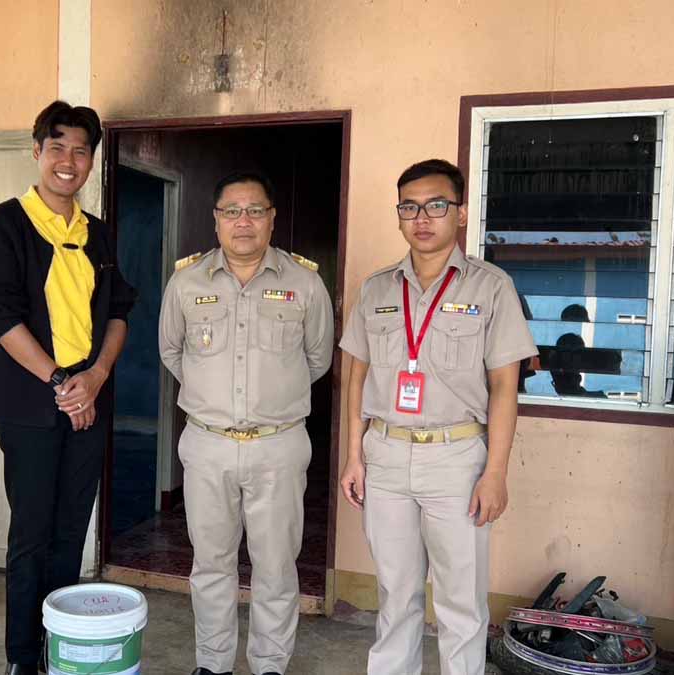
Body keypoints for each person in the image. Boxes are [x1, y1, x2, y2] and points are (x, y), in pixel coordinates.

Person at [338, 159, 537, 675]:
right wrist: (354, 455)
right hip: (385, 453)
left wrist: (495, 472)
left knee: (460, 603)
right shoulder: (377, 289)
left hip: (457, 457)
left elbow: (504, 387)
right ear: (399, 215)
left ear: (461, 213)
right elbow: (357, 377)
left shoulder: (491, 287)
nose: (422, 218)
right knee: (395, 595)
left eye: (436, 205)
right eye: (409, 207)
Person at [0, 100, 137, 675]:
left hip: (87, 401)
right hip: (30, 407)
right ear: (37, 151)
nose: (69, 160)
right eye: (57, 147)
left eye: (81, 151)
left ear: (91, 161)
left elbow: (118, 312)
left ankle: (57, 647)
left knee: (70, 534)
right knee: (31, 535)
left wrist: (96, 377)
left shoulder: (98, 234)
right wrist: (63, 383)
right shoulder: (6, 224)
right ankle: (21, 658)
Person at [158, 172, 334, 675]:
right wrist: (212, 397)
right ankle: (213, 664)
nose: (243, 221)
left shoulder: (304, 282)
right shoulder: (186, 282)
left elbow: (317, 358)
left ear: (272, 219)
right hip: (207, 443)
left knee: (276, 564)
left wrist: (270, 400)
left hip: (278, 444)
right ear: (216, 220)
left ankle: (269, 665)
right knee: (210, 562)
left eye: (255, 210)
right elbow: (172, 351)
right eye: (232, 211)